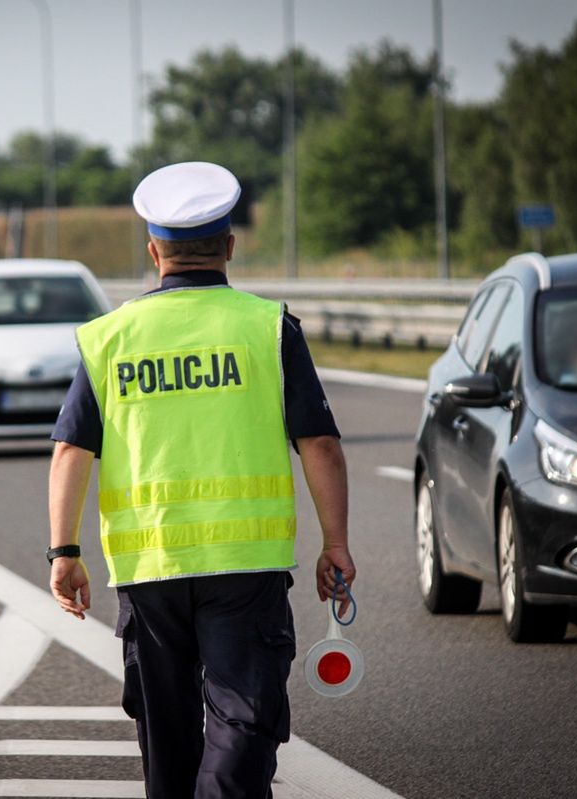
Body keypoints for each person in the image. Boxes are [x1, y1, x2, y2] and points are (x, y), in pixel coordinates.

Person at [46, 161, 356, 798]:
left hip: (150, 568)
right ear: (230, 247)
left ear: (154, 250)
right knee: (243, 719)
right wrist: (335, 543)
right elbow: (318, 443)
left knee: (168, 736)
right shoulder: (267, 328)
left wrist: (65, 552)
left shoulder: (110, 339)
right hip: (245, 566)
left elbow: (70, 450)